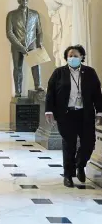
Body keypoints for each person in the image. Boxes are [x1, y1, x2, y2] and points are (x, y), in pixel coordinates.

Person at [45, 45, 102, 188]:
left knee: (89, 143)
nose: (72, 58)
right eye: (70, 56)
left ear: (82, 57)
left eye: (76, 56)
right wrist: (49, 111)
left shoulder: (90, 73)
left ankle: (80, 164)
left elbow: (97, 94)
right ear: (66, 58)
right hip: (66, 114)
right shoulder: (59, 73)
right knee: (69, 144)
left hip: (85, 114)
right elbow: (50, 92)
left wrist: (100, 112)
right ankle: (68, 175)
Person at [6, 0, 44, 97]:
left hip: (31, 43)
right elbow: (9, 33)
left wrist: (39, 42)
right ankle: (18, 91)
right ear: (18, 0)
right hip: (17, 46)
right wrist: (20, 46)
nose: (25, 1)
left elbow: (39, 31)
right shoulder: (11, 14)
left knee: (36, 65)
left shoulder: (35, 14)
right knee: (17, 68)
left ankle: (38, 85)